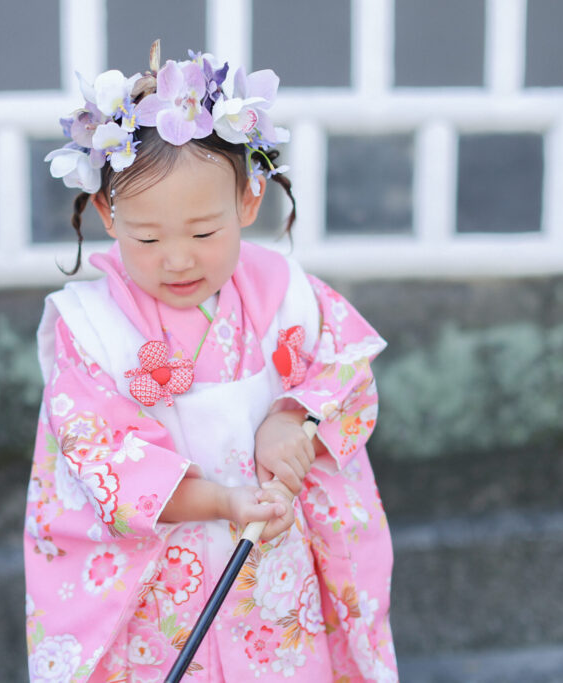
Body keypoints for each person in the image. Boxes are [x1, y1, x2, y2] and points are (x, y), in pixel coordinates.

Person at [25, 43, 396, 682]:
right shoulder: (92, 330)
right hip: (163, 588)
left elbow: (345, 368)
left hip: (273, 572)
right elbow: (103, 460)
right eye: (148, 237)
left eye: (203, 233)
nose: (178, 259)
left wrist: (291, 418)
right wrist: (222, 500)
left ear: (249, 201)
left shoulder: (289, 296)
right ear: (109, 215)